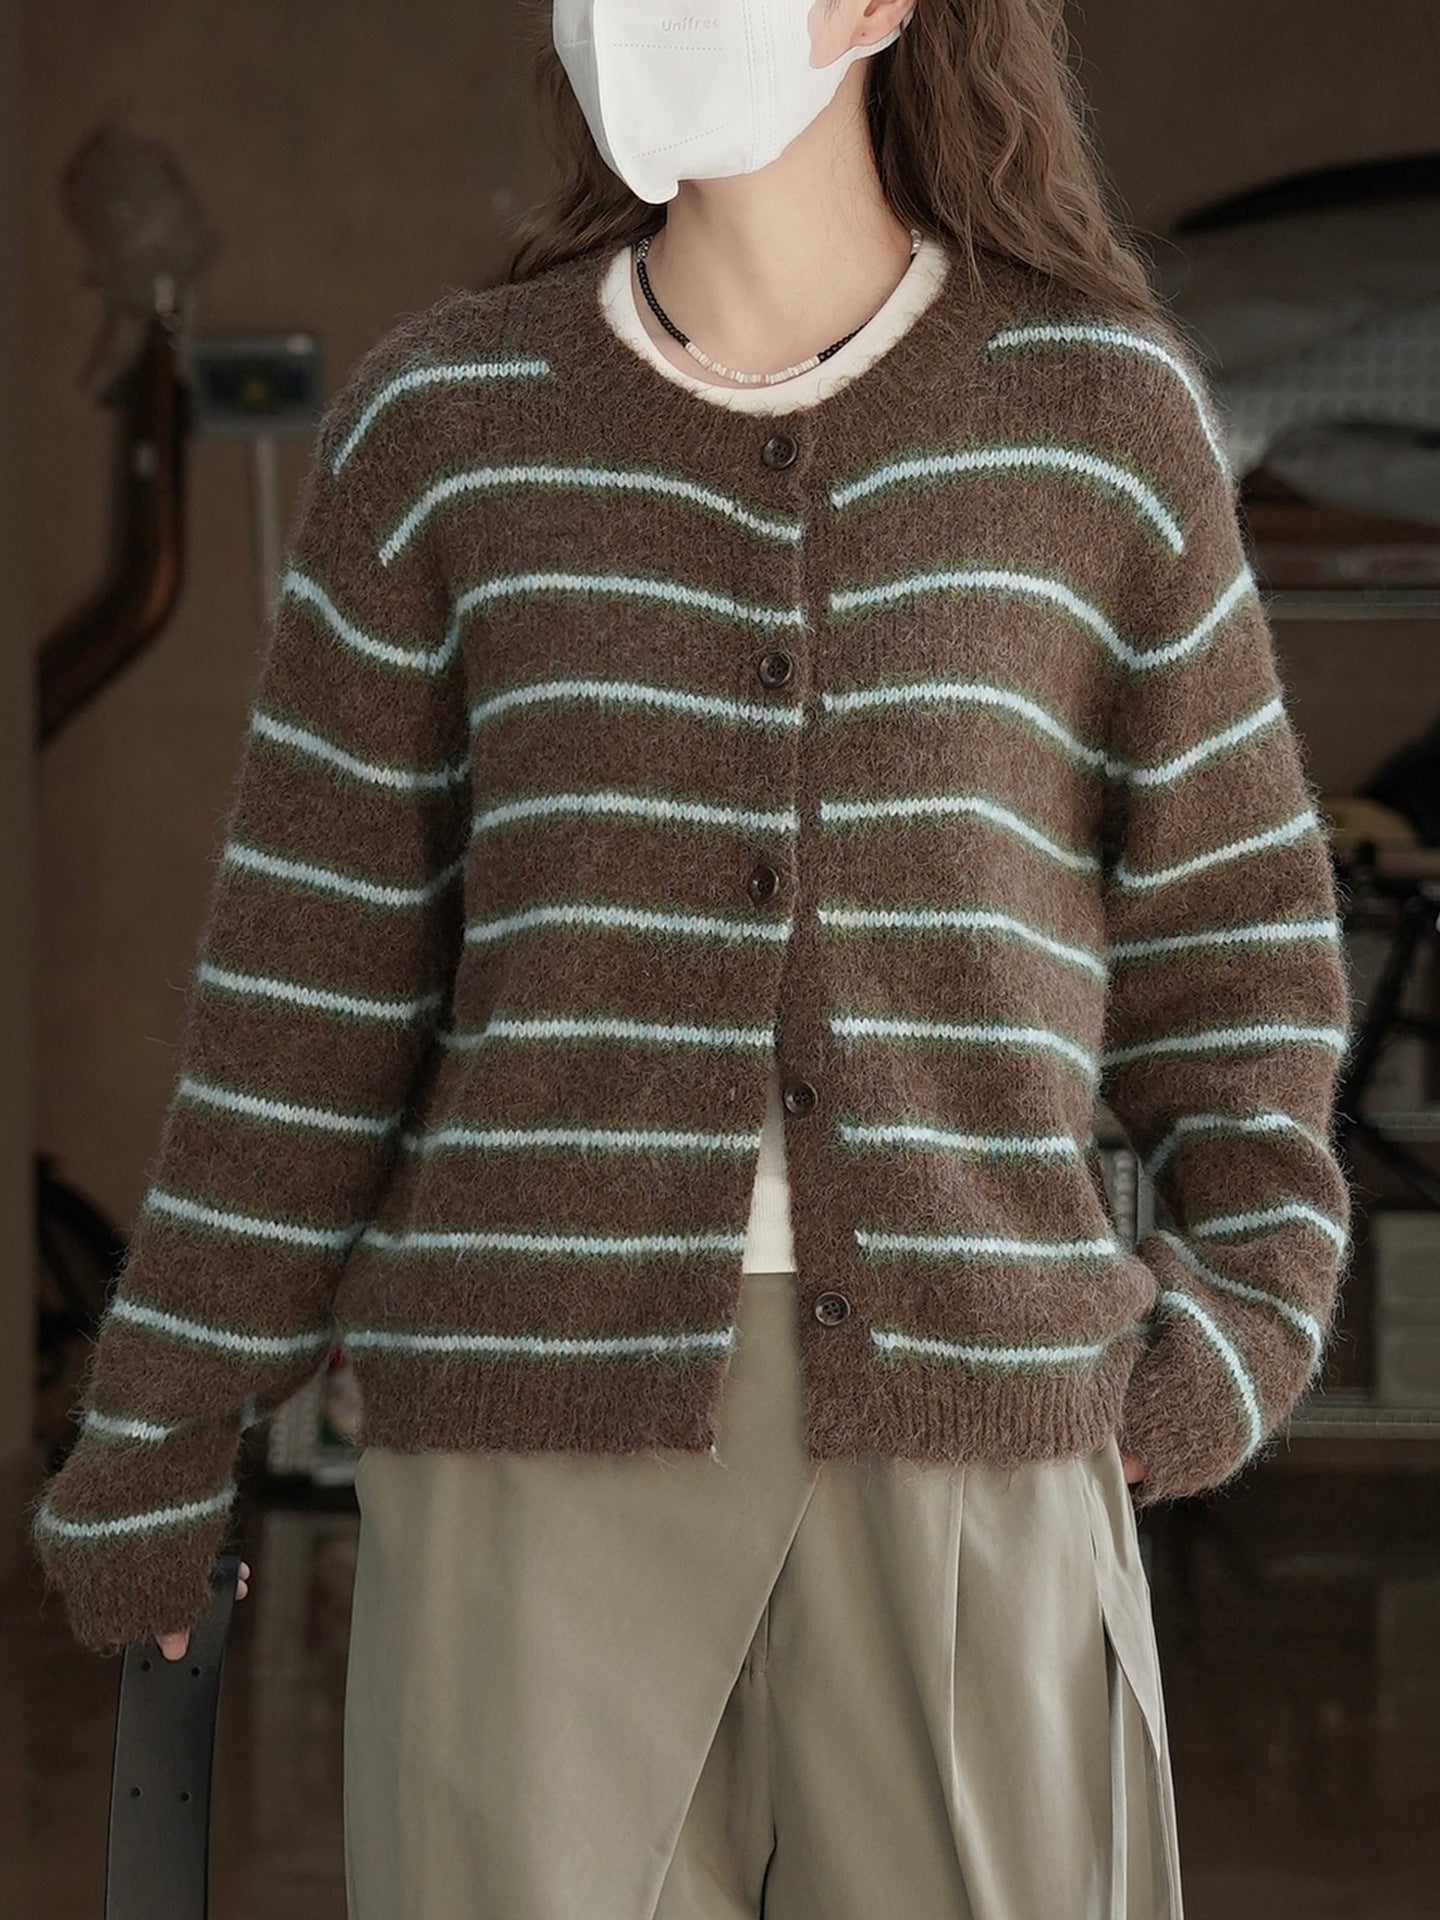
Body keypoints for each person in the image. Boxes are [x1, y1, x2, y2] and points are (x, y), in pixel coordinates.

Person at [31, 2, 1352, 1913]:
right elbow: (302, 1008)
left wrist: (1239, 1331)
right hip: (525, 1459)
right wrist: (158, 1432)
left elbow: (1238, 945)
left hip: (974, 1439)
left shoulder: (1096, 418)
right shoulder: (445, 430)